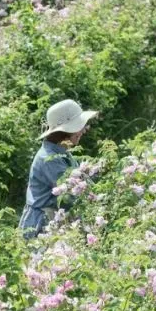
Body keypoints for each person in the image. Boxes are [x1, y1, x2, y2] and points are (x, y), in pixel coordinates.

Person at [18, 99, 98, 238]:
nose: (84, 130)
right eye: (80, 126)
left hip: (53, 221)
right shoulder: (49, 158)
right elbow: (71, 195)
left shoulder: (61, 152)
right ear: (65, 132)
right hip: (40, 226)